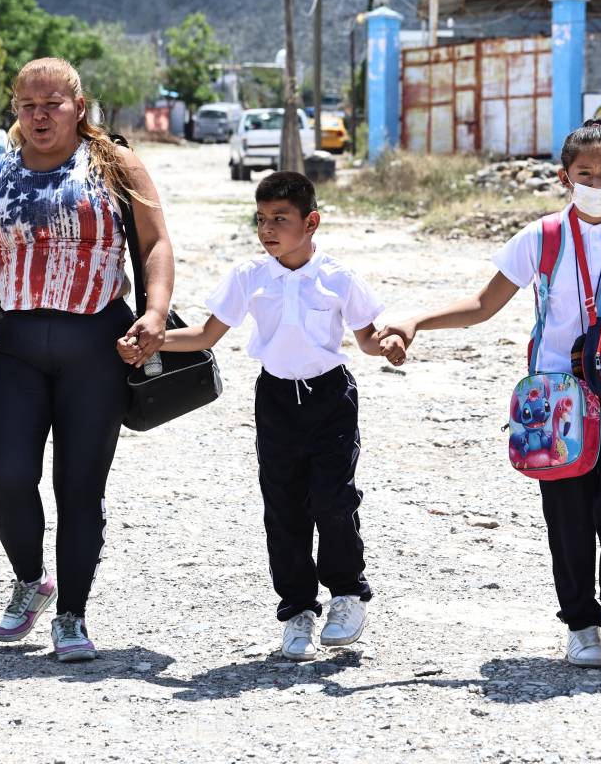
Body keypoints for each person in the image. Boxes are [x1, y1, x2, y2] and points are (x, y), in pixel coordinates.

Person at [379, 118, 601, 668]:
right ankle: (581, 625)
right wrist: (416, 319)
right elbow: (482, 306)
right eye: (584, 172)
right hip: (556, 399)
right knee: (566, 513)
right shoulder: (541, 238)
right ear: (566, 177)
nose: (596, 180)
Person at [0, 57, 174, 662]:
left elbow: (155, 245)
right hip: (13, 349)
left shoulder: (115, 165)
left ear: (79, 106)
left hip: (97, 347)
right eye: (27, 106)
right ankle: (29, 581)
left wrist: (154, 312)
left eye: (53, 105)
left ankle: (71, 614)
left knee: (79, 487)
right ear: (14, 110)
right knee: (10, 476)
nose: (40, 116)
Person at [118, 171, 405, 661]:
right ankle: (297, 611)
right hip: (275, 400)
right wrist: (154, 338)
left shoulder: (338, 278)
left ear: (310, 222)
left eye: (280, 220)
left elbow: (366, 339)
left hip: (330, 398)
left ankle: (347, 596)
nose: (268, 230)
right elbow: (207, 336)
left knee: (333, 500)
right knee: (283, 507)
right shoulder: (250, 276)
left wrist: (392, 343)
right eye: (261, 220)